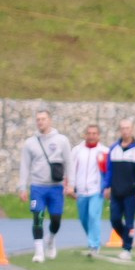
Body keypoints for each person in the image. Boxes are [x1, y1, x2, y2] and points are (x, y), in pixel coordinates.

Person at [18, 111, 68, 261]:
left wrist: (70, 183)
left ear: (50, 120)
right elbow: (25, 165)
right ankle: (38, 251)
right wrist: (22, 186)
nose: (40, 122)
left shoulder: (61, 140)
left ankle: (51, 239)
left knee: (56, 219)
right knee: (38, 216)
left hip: (56, 186)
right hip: (38, 186)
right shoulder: (30, 143)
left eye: (43, 119)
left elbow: (69, 162)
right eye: (38, 119)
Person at [66, 124, 108, 258]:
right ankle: (93, 238)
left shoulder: (104, 151)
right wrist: (70, 186)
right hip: (81, 191)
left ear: (99, 135)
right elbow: (71, 169)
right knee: (84, 218)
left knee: (93, 216)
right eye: (89, 133)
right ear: (85, 135)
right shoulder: (77, 150)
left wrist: (108, 187)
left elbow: (108, 172)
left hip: (96, 190)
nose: (91, 136)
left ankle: (94, 245)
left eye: (94, 133)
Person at [105, 118, 135, 261]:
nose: (125, 131)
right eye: (122, 128)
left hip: (131, 192)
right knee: (114, 219)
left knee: (129, 221)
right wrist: (107, 186)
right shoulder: (114, 148)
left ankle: (127, 248)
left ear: (132, 129)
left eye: (127, 128)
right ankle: (127, 238)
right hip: (116, 191)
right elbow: (109, 169)